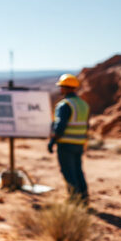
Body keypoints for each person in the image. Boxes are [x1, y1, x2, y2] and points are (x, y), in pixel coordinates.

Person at [48, 74, 90, 203]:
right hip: (79, 143)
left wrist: (52, 141)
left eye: (61, 87)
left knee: (68, 172)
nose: (60, 89)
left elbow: (60, 125)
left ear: (64, 88)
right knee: (78, 171)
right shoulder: (83, 104)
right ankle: (84, 198)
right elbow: (86, 124)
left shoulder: (65, 105)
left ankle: (74, 199)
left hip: (66, 144)